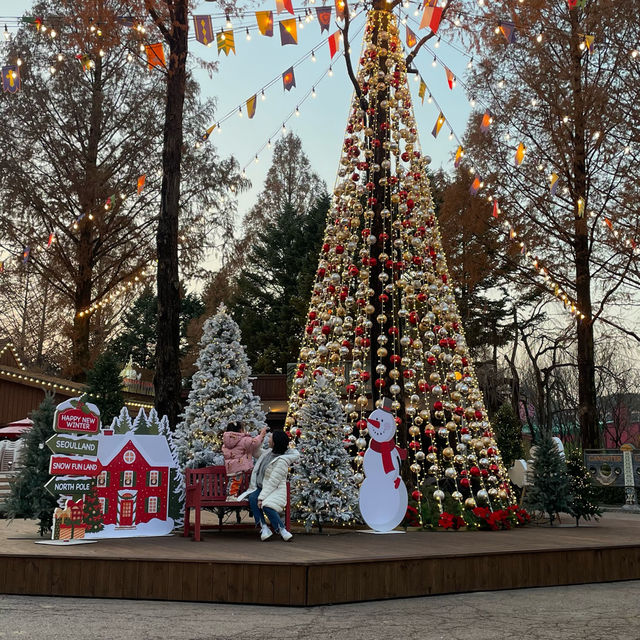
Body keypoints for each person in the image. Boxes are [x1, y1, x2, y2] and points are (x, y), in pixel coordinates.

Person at [242, 429, 299, 541]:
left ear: (275, 442)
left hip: (275, 490)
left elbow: (273, 482)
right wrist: (261, 438)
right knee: (253, 497)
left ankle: (282, 529)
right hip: (261, 487)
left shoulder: (281, 460)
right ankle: (264, 527)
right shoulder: (268, 452)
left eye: (270, 438)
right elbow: (256, 452)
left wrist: (261, 497)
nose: (269, 439)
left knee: (266, 505)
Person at [222, 423, 267, 500]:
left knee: (233, 480)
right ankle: (231, 496)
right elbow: (254, 443)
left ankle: (231, 495)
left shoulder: (226, 442)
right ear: (240, 430)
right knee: (236, 481)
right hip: (239, 465)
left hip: (231, 466)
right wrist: (261, 435)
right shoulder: (243, 439)